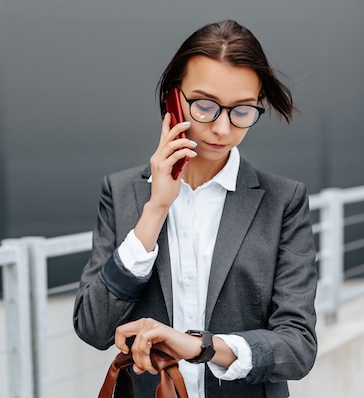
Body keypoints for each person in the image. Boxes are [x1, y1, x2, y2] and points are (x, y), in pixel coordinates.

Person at [73, 19, 317, 398]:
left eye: (242, 111)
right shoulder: (122, 194)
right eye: (205, 106)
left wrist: (202, 346)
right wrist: (155, 209)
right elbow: (93, 328)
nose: (222, 129)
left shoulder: (283, 202)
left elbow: (298, 346)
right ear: (173, 98)